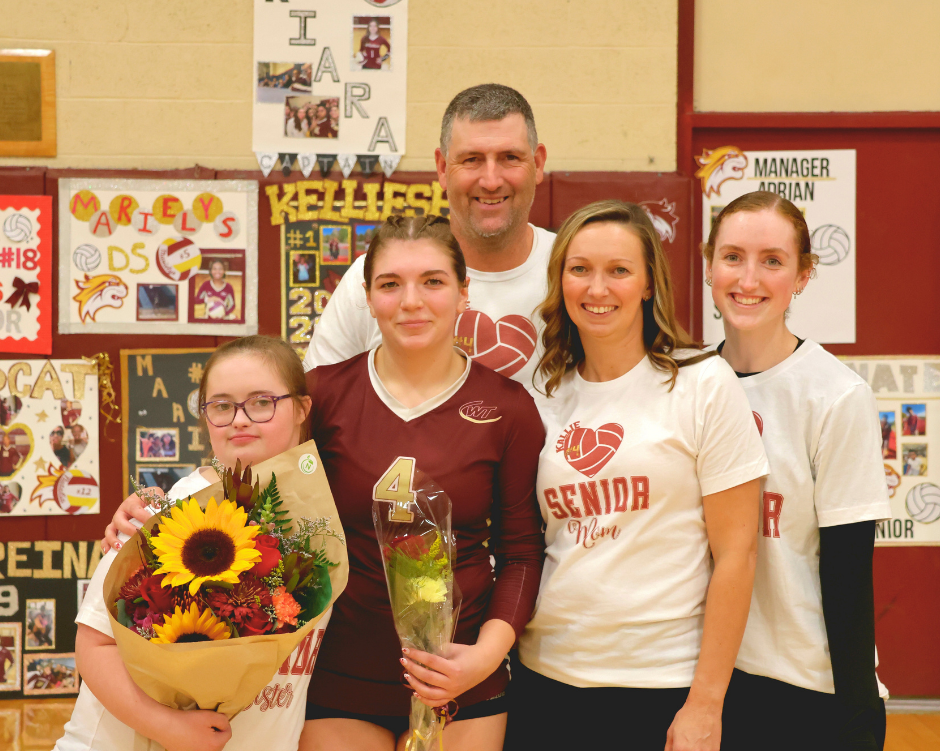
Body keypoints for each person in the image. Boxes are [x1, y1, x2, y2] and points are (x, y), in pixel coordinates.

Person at [510, 200, 768, 751]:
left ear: (649, 284)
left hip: (660, 683)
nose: (597, 288)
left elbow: (739, 553)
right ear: (560, 281)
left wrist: (706, 702)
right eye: (579, 269)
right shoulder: (542, 394)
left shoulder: (702, 382)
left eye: (618, 271)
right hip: (544, 675)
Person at [297, 215, 544, 751]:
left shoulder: (508, 408)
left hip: (463, 680)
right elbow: (256, 502)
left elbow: (522, 551)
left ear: (463, 292)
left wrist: (483, 658)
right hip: (340, 679)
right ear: (367, 296)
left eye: (432, 281)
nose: (411, 300)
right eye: (390, 284)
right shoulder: (320, 397)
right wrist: (154, 506)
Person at [63, 336, 328, 751]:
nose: (240, 419)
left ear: (301, 409)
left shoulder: (320, 525)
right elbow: (94, 642)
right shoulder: (163, 514)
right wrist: (166, 726)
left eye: (261, 402)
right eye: (221, 406)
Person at [702, 191, 891, 751]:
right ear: (709, 262)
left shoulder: (836, 395)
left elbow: (849, 570)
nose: (748, 278)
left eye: (773, 261)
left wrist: (857, 711)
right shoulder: (690, 384)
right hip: (705, 676)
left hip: (806, 685)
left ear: (804, 276)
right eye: (732, 256)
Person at [304, 84, 552, 396]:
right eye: (472, 159)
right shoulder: (375, 278)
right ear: (443, 168)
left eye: (510, 157)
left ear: (538, 163)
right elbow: (308, 412)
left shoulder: (573, 274)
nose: (490, 180)